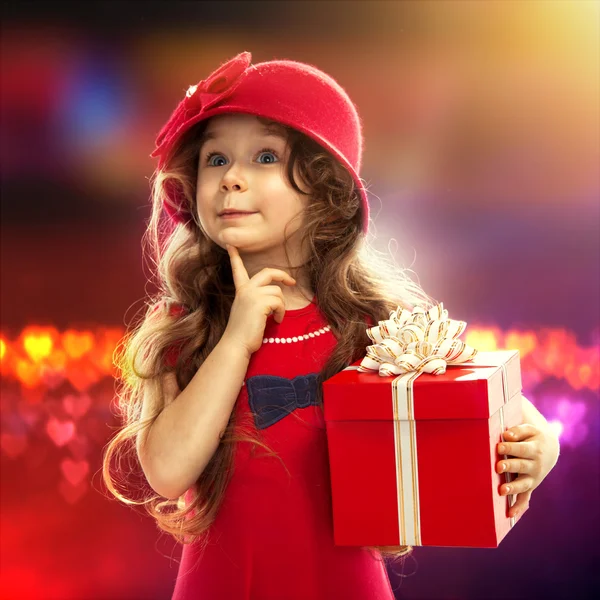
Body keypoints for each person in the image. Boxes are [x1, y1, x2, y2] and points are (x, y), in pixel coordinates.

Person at [102, 51, 560, 600]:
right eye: (215, 159)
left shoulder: (375, 323)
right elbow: (168, 472)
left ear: (324, 190)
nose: (232, 180)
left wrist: (543, 447)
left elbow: (503, 408)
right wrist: (235, 341)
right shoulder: (185, 325)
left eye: (264, 156)